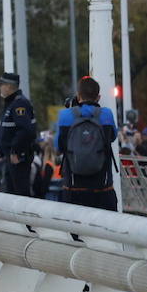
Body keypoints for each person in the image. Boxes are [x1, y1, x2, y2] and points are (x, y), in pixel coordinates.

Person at [55, 75, 119, 211]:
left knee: (75, 229)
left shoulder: (65, 115)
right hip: (103, 187)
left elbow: (59, 146)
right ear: (98, 97)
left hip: (73, 187)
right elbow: (112, 137)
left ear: (78, 96)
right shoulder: (106, 114)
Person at [0, 72, 37, 197]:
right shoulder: (10, 104)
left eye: (1, 85)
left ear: (8, 86)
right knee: (11, 194)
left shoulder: (19, 104)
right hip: (10, 156)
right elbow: (9, 131)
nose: (0, 88)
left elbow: (26, 131)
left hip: (18, 158)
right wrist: (1, 151)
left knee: (20, 194)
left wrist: (15, 151)